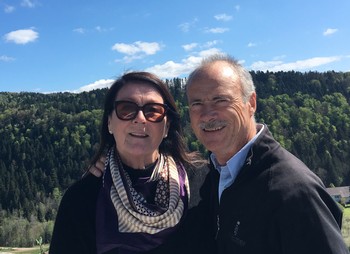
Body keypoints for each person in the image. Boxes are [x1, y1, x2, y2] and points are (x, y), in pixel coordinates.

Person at [184, 53, 349, 253]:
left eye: (220, 100)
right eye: (196, 104)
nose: (207, 114)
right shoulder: (212, 177)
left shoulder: (293, 190)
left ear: (251, 103)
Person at [49, 71, 206, 254]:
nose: (140, 119)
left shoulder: (201, 180)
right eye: (126, 109)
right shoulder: (83, 198)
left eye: (153, 111)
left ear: (167, 126)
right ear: (109, 122)